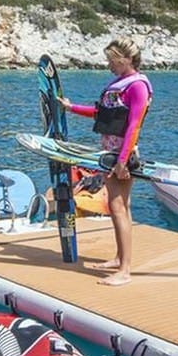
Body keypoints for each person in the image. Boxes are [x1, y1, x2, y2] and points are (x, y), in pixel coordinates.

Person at [58, 37, 153, 286]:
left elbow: (134, 124)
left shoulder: (138, 86)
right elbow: (101, 113)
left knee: (119, 208)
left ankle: (125, 270)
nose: (108, 65)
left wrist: (122, 161)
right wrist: (71, 108)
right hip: (111, 154)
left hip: (123, 155)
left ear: (125, 59)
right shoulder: (118, 83)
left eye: (112, 60)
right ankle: (119, 258)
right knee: (118, 206)